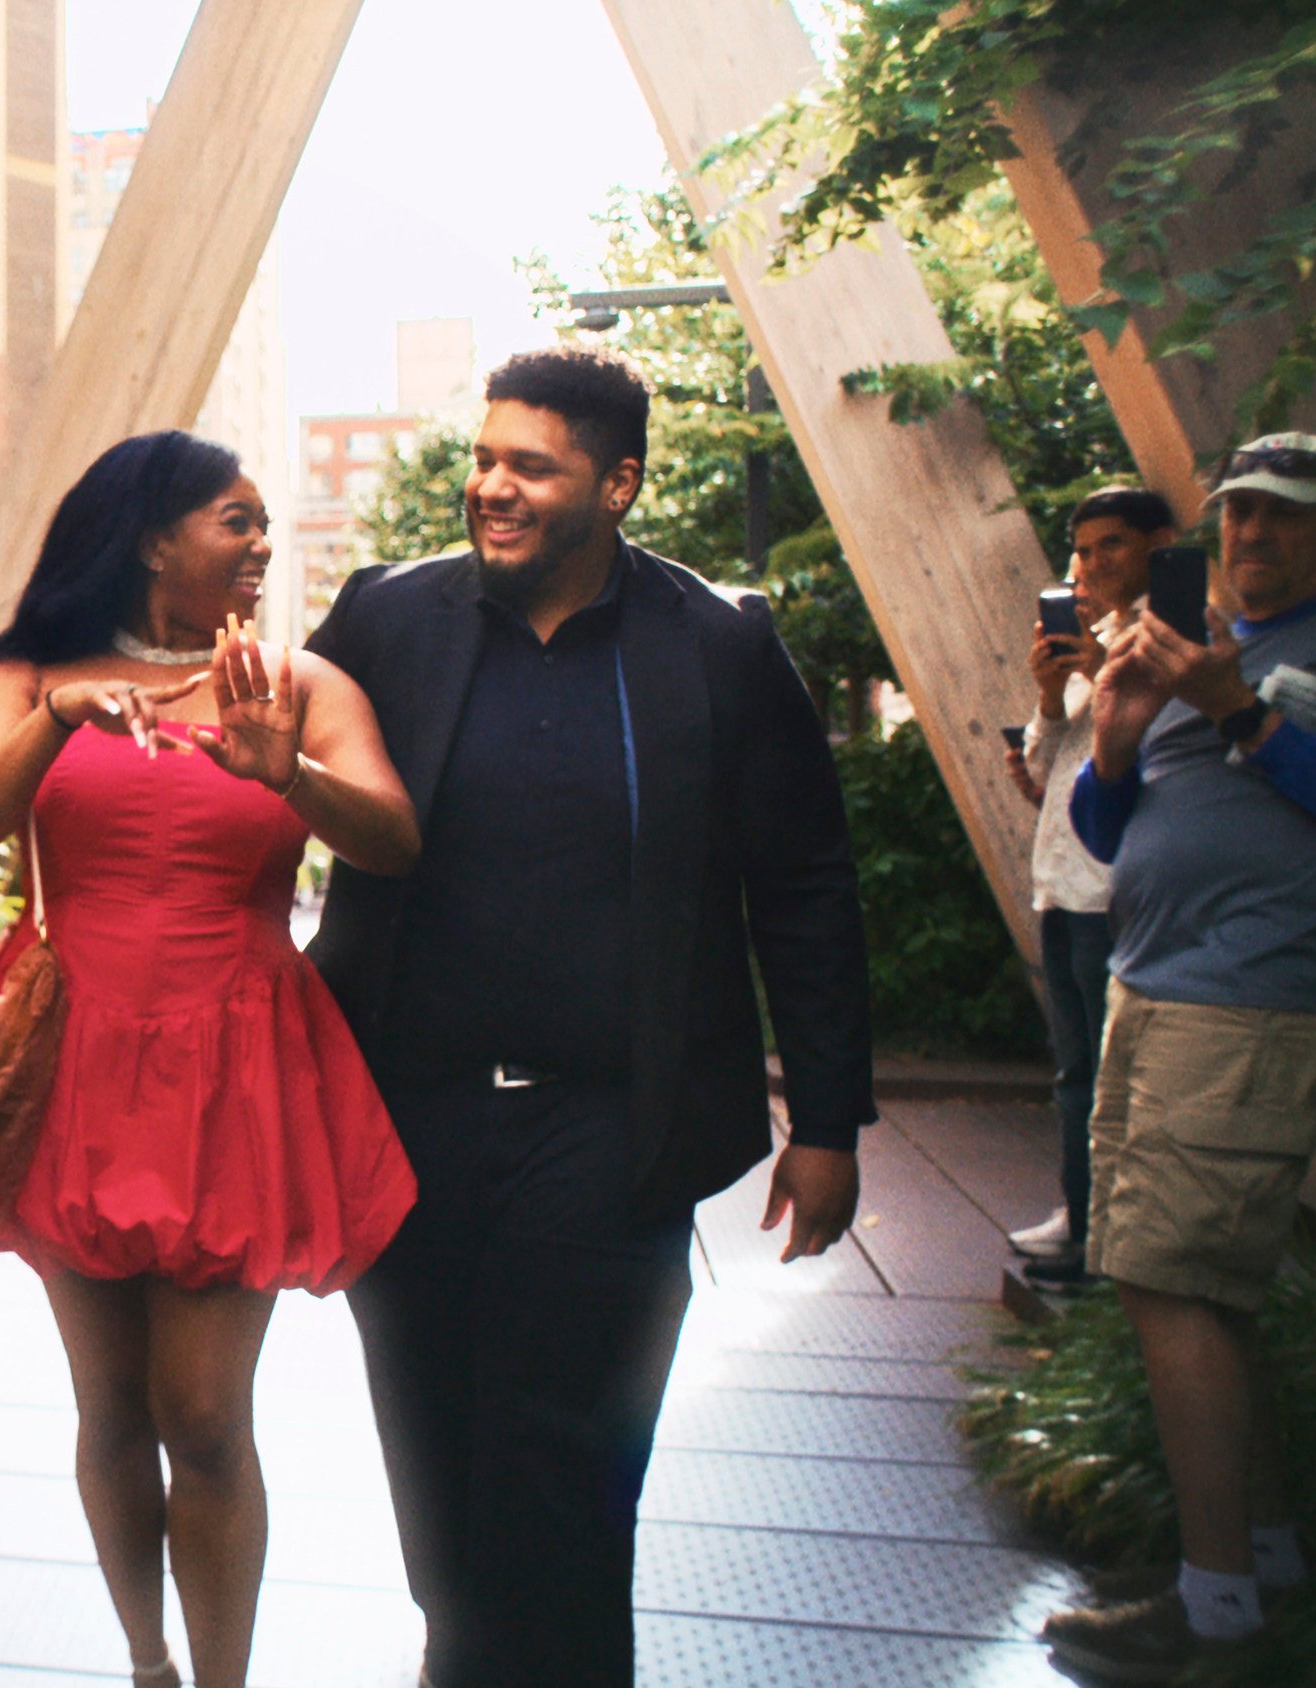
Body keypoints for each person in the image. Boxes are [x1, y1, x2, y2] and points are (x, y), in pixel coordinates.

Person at [303, 346, 874, 1688]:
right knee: (434, 1455)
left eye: (531, 467)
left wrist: (827, 1120)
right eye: (483, 458)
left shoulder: (717, 644)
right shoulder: (387, 618)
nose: (491, 487)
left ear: (617, 485)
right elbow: (248, 783)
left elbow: (803, 882)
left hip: (614, 1133)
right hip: (410, 1124)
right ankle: (465, 1653)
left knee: (569, 1475)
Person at [0, 431, 421, 1688]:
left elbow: (392, 836)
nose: (262, 542)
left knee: (205, 1412)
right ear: (153, 538)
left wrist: (294, 774)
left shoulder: (298, 682)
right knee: (111, 1402)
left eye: (264, 522)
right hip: (74, 1059)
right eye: (236, 518)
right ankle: (148, 1662)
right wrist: (53, 721)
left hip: (240, 1059)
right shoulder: (28, 674)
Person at [1041, 432, 1316, 1682]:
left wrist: (1240, 709)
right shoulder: (1193, 646)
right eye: (1240, 514)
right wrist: (1122, 729)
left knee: (1173, 1285)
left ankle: (1218, 1613)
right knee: (1193, 1290)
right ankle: (1258, 1565)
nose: (1256, 536)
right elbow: (1104, 826)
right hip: (1153, 991)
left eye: (1286, 516)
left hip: (1250, 1007)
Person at [1004, 487, 1173, 1289]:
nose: (1092, 562)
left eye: (1112, 544)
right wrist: (1048, 693)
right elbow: (1044, 769)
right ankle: (1081, 1216)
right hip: (1063, 884)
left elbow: (1166, 747)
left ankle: (1109, 1243)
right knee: (1075, 1072)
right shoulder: (1092, 636)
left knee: (1117, 1078)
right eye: (1081, 548)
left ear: (1159, 544)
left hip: (1120, 891)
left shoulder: (1173, 639)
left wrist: (1102, 672)